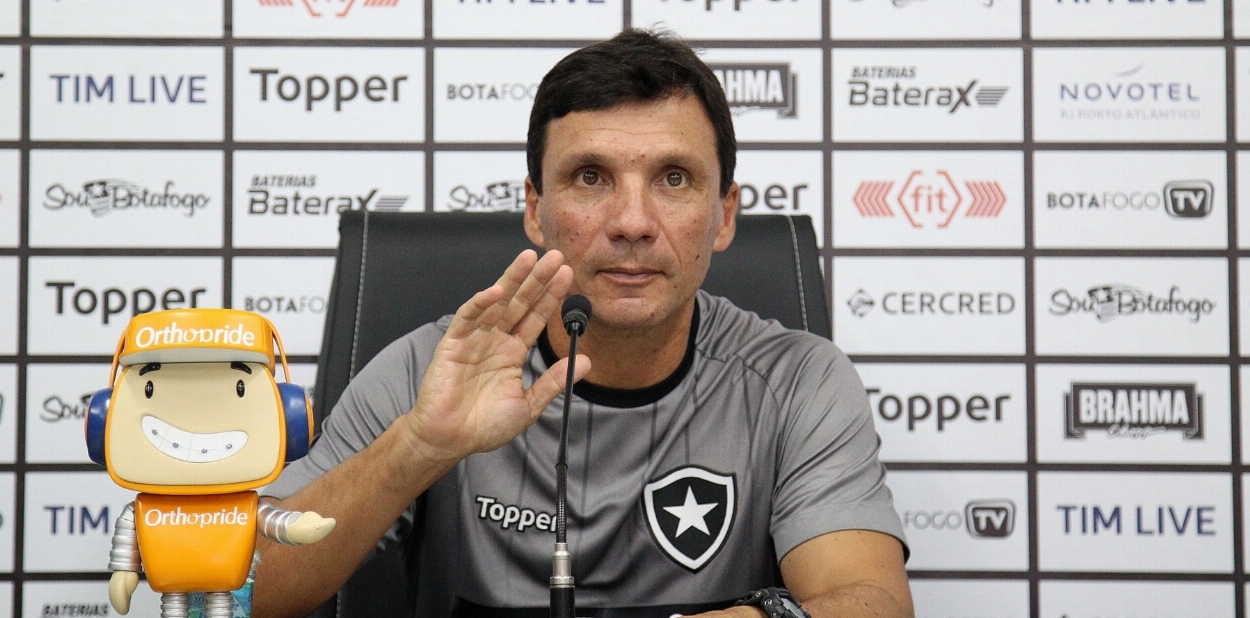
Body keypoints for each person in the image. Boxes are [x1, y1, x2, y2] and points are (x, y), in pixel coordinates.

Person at [254, 29, 912, 618]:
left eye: (674, 178)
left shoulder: (797, 382)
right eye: (591, 177)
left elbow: (873, 602)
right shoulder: (429, 371)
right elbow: (246, 591)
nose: (632, 222)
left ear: (725, 215)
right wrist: (419, 446)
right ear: (535, 210)